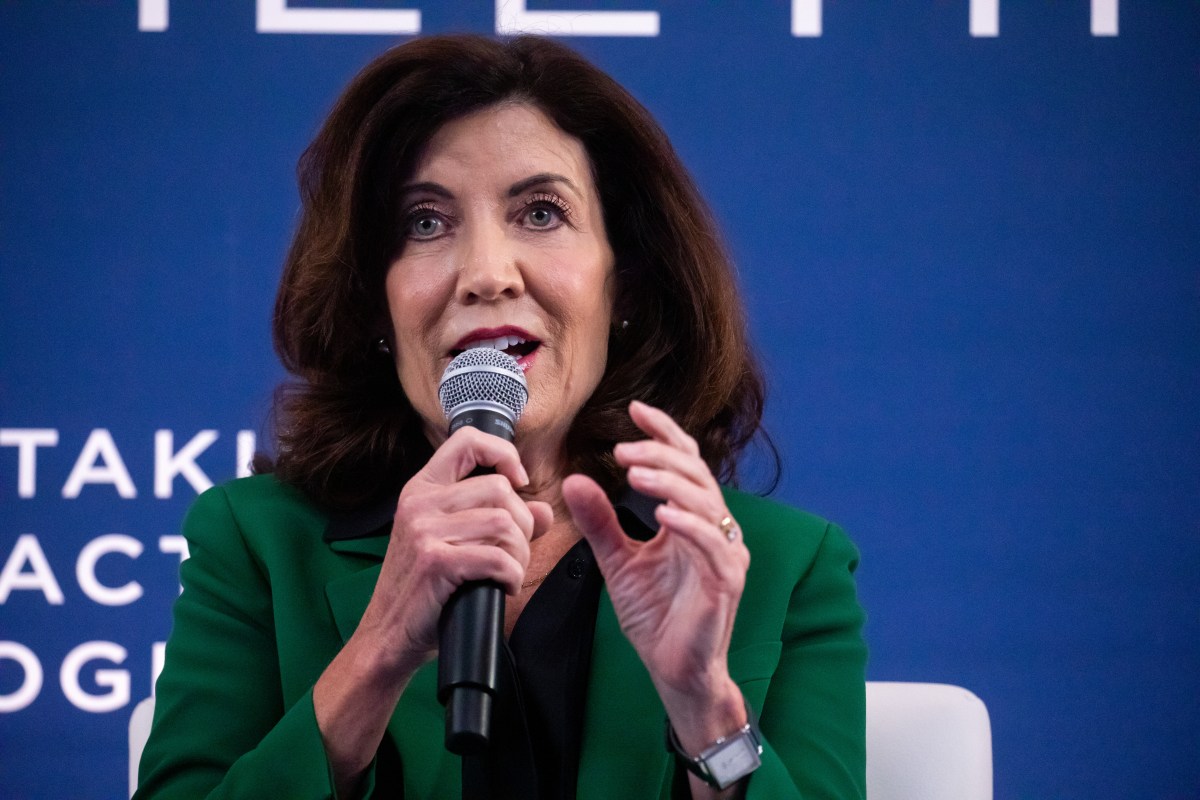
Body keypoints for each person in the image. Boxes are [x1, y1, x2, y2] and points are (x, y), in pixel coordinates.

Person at [134, 34, 866, 800]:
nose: (486, 273)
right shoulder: (255, 544)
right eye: (424, 222)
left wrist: (706, 712)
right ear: (375, 300)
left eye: (541, 213)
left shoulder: (788, 565)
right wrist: (380, 647)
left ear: (624, 282)